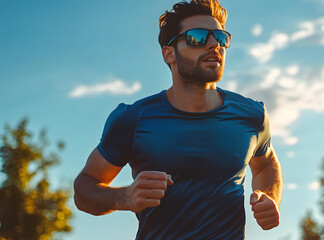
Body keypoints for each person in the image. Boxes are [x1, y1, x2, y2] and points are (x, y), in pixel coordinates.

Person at [73, 0, 283, 239]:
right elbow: (84, 190)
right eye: (197, 37)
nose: (214, 44)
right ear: (169, 54)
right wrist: (125, 197)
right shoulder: (133, 119)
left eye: (221, 37)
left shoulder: (252, 115)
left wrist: (269, 196)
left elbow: (265, 164)